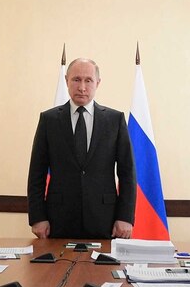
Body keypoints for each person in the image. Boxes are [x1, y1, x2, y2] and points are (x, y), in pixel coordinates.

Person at [27, 58, 136, 239]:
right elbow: (36, 173)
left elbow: (127, 173)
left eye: (88, 80)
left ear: (97, 83)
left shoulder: (115, 120)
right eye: (76, 80)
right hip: (58, 219)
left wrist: (125, 217)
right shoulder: (49, 120)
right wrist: (38, 217)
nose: (82, 87)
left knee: (101, 268)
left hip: (105, 219)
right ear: (66, 80)